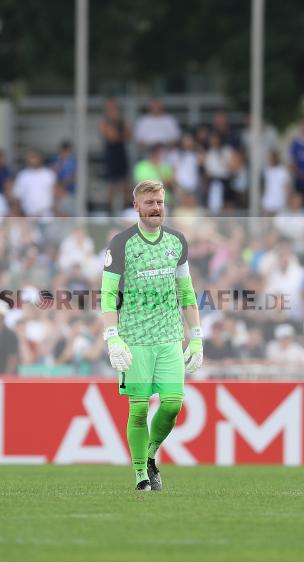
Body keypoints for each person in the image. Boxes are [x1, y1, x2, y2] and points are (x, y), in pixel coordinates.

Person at [100, 179, 202, 491]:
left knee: (172, 406)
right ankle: (141, 476)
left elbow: (186, 291)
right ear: (137, 207)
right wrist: (112, 336)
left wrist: (196, 336)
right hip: (135, 340)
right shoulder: (121, 244)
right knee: (140, 408)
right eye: (149, 203)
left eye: (159, 202)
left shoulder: (177, 241)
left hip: (170, 337)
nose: (156, 208)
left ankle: (150, 453)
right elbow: (106, 295)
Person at [99, 98, 131, 213]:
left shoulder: (121, 120)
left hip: (121, 153)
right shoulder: (104, 121)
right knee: (112, 185)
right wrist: (120, 133)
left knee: (125, 183)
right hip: (111, 154)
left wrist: (119, 133)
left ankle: (126, 209)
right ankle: (110, 211)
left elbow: (129, 133)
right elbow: (111, 137)